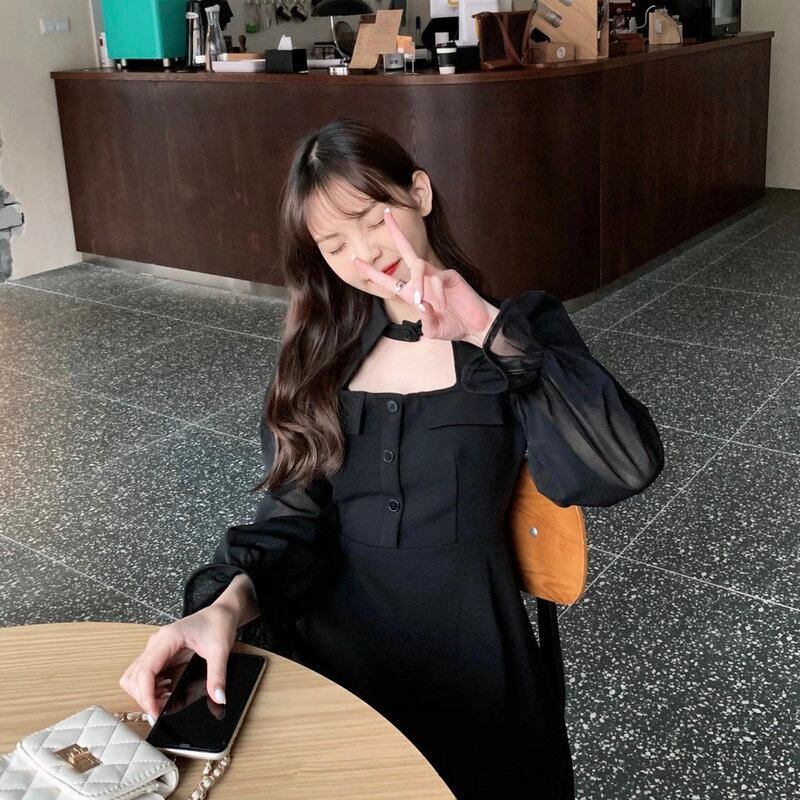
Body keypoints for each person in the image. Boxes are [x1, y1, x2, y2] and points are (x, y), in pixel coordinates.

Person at [119, 118, 665, 799]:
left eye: (374, 219)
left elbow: (622, 466)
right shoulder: (321, 356)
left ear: (420, 194)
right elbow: (294, 524)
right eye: (335, 244)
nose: (366, 255)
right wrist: (226, 605)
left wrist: (485, 330)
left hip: (473, 667)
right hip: (335, 661)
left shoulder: (515, 332)